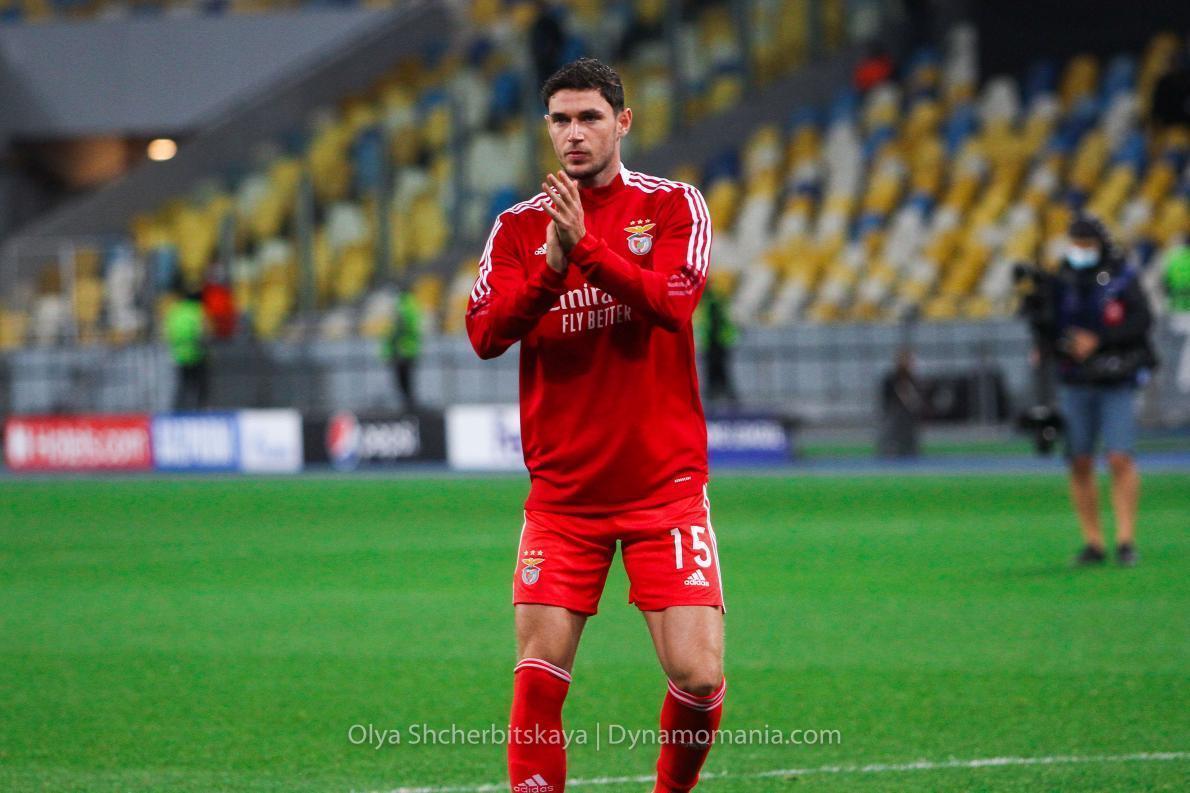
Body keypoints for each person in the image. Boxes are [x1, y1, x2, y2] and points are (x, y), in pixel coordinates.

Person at [466, 58, 722, 793]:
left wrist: (586, 251)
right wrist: (550, 269)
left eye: (589, 118)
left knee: (698, 677)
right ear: (547, 128)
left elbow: (672, 303)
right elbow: (484, 333)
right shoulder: (518, 228)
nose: (574, 133)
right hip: (564, 496)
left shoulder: (673, 206)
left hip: (663, 487)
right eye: (561, 120)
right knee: (538, 674)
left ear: (623, 122)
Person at [1044, 216, 1156, 567]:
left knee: (1120, 457)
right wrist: (1057, 341)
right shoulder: (1062, 278)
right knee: (1079, 460)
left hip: (1114, 378)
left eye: (1086, 244)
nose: (1079, 250)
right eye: (1075, 243)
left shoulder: (1121, 276)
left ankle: (1125, 539)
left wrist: (1100, 341)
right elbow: (1049, 323)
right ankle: (1093, 541)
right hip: (1075, 379)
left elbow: (1142, 320)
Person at [877, 348, 927, 458]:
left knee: (910, 442)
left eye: (908, 360)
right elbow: (886, 398)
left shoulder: (913, 379)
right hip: (894, 414)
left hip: (909, 416)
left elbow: (918, 398)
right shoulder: (891, 379)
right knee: (890, 439)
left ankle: (911, 454)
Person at [164, 288, 209, 411]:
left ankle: (180, 409)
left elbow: (168, 331)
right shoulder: (197, 309)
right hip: (196, 352)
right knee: (200, 385)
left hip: (178, 353)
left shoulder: (175, 310)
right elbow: (203, 330)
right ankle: (200, 409)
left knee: (182, 384)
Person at [697, 277, 738, 408]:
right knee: (716, 370)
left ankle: (723, 397)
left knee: (718, 369)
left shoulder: (713, 301)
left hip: (717, 341)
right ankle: (720, 396)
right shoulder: (712, 300)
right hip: (714, 341)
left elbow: (717, 323)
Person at [381, 287, 422, 412]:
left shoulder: (402, 306)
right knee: (407, 381)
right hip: (409, 349)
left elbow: (400, 328)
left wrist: (392, 346)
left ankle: (408, 407)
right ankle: (409, 406)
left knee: (403, 381)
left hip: (402, 350)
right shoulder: (413, 305)